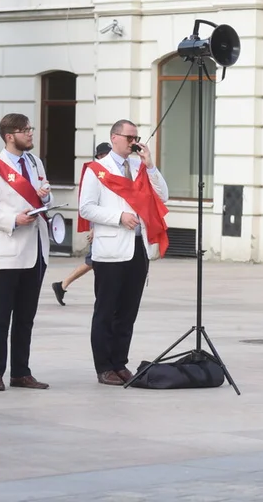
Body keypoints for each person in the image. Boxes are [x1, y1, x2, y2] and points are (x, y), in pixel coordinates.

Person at [79, 120, 169, 385]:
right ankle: (103, 366)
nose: (133, 142)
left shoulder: (140, 167)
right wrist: (118, 216)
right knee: (106, 311)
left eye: (136, 137)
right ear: (114, 137)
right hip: (111, 250)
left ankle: (120, 362)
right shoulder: (97, 170)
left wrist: (150, 164)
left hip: (137, 249)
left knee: (128, 312)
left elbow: (162, 195)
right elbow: (86, 208)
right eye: (129, 137)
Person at [0, 113, 52, 392]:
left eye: (30, 129)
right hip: (9, 251)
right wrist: (11, 220)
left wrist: (44, 196)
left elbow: (43, 196)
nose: (31, 134)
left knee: (26, 317)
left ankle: (21, 371)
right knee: (1, 314)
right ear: (10, 135)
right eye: (25, 130)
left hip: (36, 249)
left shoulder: (34, 162)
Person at [52, 142, 111, 305]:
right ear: (98, 157)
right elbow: (91, 205)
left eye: (109, 154)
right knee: (94, 262)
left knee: (94, 262)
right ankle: (63, 285)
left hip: (107, 224)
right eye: (103, 154)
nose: (106, 157)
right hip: (99, 224)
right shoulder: (96, 174)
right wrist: (93, 229)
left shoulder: (111, 172)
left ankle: (62, 285)